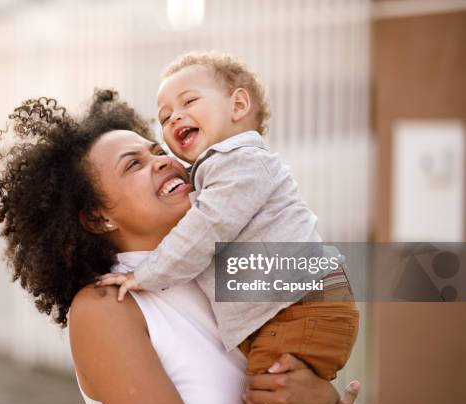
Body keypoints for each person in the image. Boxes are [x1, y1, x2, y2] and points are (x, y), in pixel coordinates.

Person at [0, 89, 360, 404]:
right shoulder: (106, 308)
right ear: (98, 218)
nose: (163, 162)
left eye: (157, 151)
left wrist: (326, 401)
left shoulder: (223, 265)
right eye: (134, 165)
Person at [98, 51, 359, 381]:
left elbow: (208, 227)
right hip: (289, 308)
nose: (174, 118)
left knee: (267, 397)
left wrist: (147, 274)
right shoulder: (218, 172)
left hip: (299, 305)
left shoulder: (240, 163)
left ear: (238, 106)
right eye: (164, 118)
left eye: (188, 101)